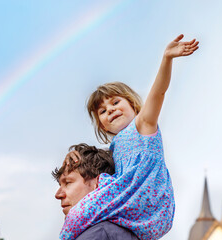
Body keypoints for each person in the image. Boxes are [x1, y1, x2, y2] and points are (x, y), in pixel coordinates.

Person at [60, 34, 199, 240]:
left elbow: (158, 92)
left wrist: (167, 59)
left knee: (76, 217)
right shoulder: (115, 148)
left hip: (144, 197)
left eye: (115, 102)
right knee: (87, 215)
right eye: (103, 111)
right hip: (131, 204)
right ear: (101, 124)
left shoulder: (143, 125)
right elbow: (93, 163)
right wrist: (75, 154)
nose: (111, 110)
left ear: (133, 104)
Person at [53, 143, 139, 240]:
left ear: (99, 183)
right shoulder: (117, 230)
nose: (58, 194)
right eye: (60, 185)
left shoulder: (99, 233)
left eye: (68, 183)